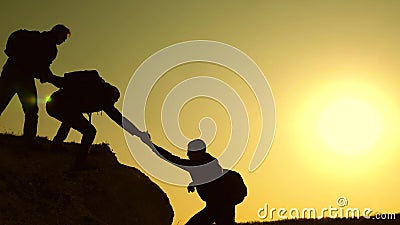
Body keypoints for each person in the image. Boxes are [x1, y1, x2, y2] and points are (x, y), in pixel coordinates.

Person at [46, 70, 147, 168]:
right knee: (90, 131)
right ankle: (80, 163)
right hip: (59, 105)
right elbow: (119, 119)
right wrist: (138, 133)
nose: (112, 103)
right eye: (114, 100)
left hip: (52, 103)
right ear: (112, 94)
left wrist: (138, 133)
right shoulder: (103, 96)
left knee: (70, 120)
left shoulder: (94, 91)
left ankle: (56, 146)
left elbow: (119, 119)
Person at [141, 135, 237, 225]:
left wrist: (150, 144)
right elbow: (208, 178)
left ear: (199, 152)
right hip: (220, 206)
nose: (187, 154)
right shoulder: (210, 163)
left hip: (219, 207)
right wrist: (194, 183)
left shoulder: (200, 165)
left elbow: (172, 158)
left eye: (190, 152)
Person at [0, 24, 71, 145]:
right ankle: (29, 141)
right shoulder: (50, 46)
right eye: (64, 37)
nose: (64, 40)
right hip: (23, 78)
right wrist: (54, 80)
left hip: (9, 72)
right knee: (31, 110)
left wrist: (48, 77)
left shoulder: (36, 36)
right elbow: (43, 68)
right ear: (57, 32)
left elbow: (41, 68)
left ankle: (29, 140)